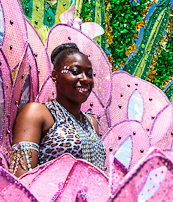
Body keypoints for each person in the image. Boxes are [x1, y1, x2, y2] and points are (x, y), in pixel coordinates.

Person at [9, 43, 107, 177]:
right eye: (75, 72)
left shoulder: (92, 122)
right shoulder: (37, 113)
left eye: (89, 74)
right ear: (55, 75)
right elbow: (21, 176)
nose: (85, 79)